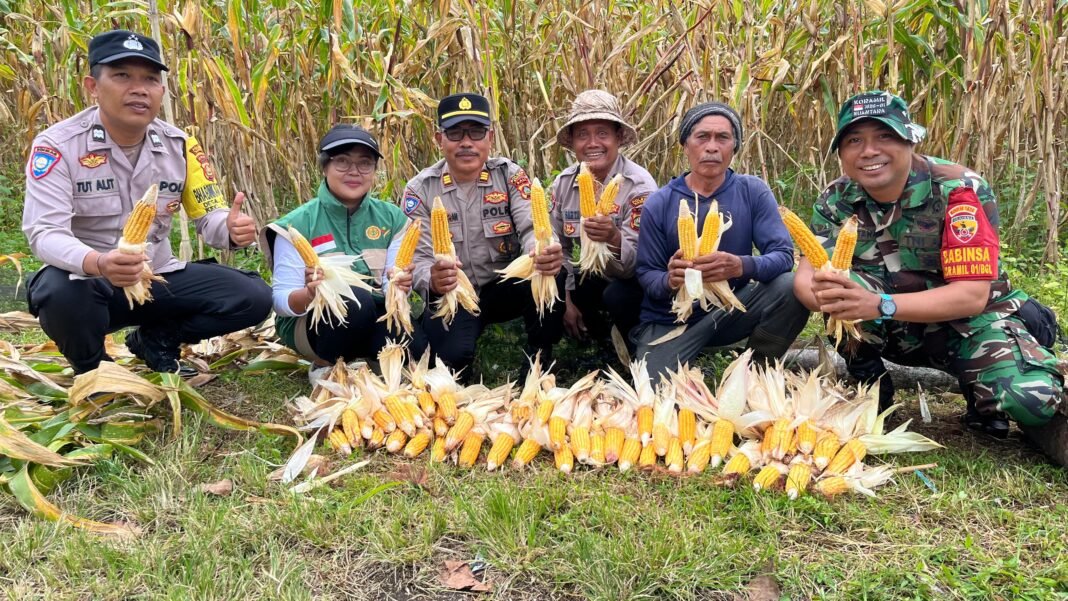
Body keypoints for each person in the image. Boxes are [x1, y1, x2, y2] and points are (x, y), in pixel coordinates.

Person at [793, 90, 1065, 458]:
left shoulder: (958, 190)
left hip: (967, 322)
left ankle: (1011, 359)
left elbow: (970, 296)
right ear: (841, 153)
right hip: (893, 327)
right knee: (837, 283)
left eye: (884, 136)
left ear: (910, 140)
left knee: (1031, 401)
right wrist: (828, 296)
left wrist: (878, 304)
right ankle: (871, 386)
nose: (869, 151)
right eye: (854, 140)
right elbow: (806, 277)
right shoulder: (837, 198)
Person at [22, 29, 271, 375]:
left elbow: (209, 219)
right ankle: (93, 369)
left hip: (157, 277)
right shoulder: (58, 146)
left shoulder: (181, 146)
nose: (139, 88)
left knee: (253, 296)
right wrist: (98, 262)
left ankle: (156, 340)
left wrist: (229, 228)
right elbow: (44, 232)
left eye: (150, 79)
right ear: (92, 86)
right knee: (57, 292)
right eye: (122, 75)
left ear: (161, 91)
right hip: (91, 281)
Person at [633, 102, 809, 379]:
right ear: (685, 145)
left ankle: (757, 372)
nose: (712, 147)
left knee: (791, 287)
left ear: (734, 147)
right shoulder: (660, 202)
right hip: (673, 319)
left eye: (722, 138)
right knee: (654, 397)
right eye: (702, 137)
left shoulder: (752, 192)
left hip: (731, 309)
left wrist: (740, 266)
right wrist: (670, 279)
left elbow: (784, 255)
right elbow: (646, 274)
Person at [405, 93, 565, 374]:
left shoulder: (509, 176)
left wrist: (540, 249)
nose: (466, 142)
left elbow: (531, 226)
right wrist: (431, 279)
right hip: (453, 292)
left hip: (503, 286)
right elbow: (416, 258)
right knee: (451, 359)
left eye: (476, 132)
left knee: (552, 271)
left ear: (490, 137)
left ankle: (541, 354)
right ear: (438, 139)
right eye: (454, 133)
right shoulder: (420, 190)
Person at [261, 124, 427, 383]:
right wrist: (310, 293)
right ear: (325, 167)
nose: (354, 172)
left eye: (365, 163)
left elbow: (390, 284)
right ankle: (324, 363)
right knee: (355, 302)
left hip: (375, 309)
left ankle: (367, 357)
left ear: (374, 171)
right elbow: (282, 302)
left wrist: (399, 285)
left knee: (417, 352)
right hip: (313, 323)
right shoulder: (296, 225)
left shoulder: (391, 218)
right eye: (342, 162)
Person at [548, 90, 657, 351]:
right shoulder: (564, 184)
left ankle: (639, 347)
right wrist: (566, 301)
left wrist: (613, 238)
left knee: (617, 295)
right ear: (573, 142)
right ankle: (591, 345)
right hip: (593, 274)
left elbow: (638, 265)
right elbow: (556, 246)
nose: (592, 143)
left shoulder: (639, 187)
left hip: (634, 281)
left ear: (618, 137)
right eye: (582, 134)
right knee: (553, 281)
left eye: (602, 133)